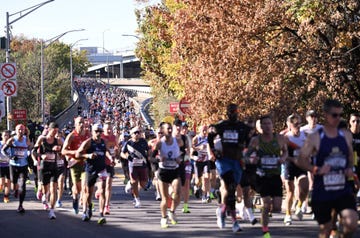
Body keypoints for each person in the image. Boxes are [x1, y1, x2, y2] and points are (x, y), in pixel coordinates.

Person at [298, 99, 358, 238]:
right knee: (326, 230)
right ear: (326, 115)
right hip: (323, 191)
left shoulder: (346, 135)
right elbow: (301, 160)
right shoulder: (315, 137)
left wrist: (350, 168)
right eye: (334, 115)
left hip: (342, 189)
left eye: (340, 115)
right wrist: (315, 170)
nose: (338, 118)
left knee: (352, 223)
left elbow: (350, 156)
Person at [207, 103, 251, 233]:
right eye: (230, 112)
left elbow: (250, 141)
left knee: (230, 190)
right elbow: (210, 136)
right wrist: (214, 151)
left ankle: (222, 210)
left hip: (237, 161)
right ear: (227, 113)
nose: (233, 114)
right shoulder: (222, 125)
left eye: (235, 111)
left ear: (238, 112)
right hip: (224, 161)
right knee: (230, 186)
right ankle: (234, 222)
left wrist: (246, 153)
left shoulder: (242, 127)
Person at [245, 115, 288, 238]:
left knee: (277, 207)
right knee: (266, 203)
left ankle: (263, 219)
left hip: (275, 175)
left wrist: (283, 158)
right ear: (261, 127)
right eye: (265, 124)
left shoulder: (279, 139)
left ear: (272, 125)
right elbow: (247, 156)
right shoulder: (256, 141)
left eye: (269, 123)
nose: (267, 126)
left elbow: (285, 151)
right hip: (262, 176)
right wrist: (253, 160)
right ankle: (265, 230)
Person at [75, 123, 115, 224]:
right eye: (96, 131)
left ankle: (101, 215)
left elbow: (106, 151)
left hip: (101, 169)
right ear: (92, 132)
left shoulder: (104, 141)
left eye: (100, 132)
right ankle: (88, 208)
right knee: (88, 193)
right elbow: (78, 154)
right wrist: (88, 155)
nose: (98, 133)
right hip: (90, 169)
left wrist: (110, 158)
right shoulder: (88, 142)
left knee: (102, 191)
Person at [151, 122, 184, 228]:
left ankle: (172, 211)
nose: (169, 131)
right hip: (163, 171)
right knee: (165, 199)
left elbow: (184, 154)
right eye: (167, 129)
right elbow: (151, 158)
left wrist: (180, 159)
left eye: (170, 128)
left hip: (174, 170)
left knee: (178, 193)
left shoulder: (178, 141)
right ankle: (164, 218)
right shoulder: (159, 143)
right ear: (163, 131)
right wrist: (158, 158)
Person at [31, 122, 62, 219]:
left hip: (54, 166)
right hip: (44, 166)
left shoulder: (58, 141)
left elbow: (63, 153)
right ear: (49, 129)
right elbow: (34, 151)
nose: (55, 133)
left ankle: (52, 211)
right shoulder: (42, 139)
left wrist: (59, 150)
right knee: (45, 188)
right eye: (53, 131)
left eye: (57, 131)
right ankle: (44, 195)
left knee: (53, 188)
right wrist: (40, 156)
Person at [283, 114, 309, 225]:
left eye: (299, 124)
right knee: (290, 191)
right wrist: (293, 159)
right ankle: (288, 214)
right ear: (289, 125)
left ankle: (299, 206)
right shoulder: (285, 137)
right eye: (295, 124)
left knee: (305, 187)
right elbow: (283, 155)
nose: (297, 126)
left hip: (301, 165)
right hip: (289, 164)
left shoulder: (305, 135)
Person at [61, 116, 89, 214]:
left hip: (85, 163)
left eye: (82, 122)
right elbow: (63, 151)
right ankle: (75, 199)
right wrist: (75, 152)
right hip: (75, 163)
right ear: (75, 125)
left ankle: (85, 210)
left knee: (85, 187)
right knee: (77, 188)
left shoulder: (88, 135)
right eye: (79, 123)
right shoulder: (72, 136)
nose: (81, 124)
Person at [1, 124, 31, 213]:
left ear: (24, 131)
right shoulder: (12, 140)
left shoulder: (27, 139)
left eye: (22, 130)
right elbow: (3, 150)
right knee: (14, 185)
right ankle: (15, 189)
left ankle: (20, 205)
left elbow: (29, 148)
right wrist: (11, 156)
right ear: (16, 130)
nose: (21, 131)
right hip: (13, 166)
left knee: (23, 185)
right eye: (19, 130)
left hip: (24, 165)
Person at [121, 126, 150, 208]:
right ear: (131, 134)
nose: (137, 134)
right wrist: (127, 157)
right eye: (135, 133)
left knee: (143, 184)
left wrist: (150, 157)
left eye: (139, 132)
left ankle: (130, 184)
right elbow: (122, 153)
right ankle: (137, 199)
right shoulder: (129, 143)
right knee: (134, 182)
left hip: (142, 165)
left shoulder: (143, 141)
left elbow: (148, 151)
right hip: (133, 165)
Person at [100, 121, 118, 214]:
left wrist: (115, 152)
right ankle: (99, 192)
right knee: (102, 187)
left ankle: (107, 205)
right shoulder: (101, 137)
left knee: (108, 185)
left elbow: (116, 148)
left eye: (110, 129)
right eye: (107, 129)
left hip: (110, 163)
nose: (109, 130)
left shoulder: (114, 137)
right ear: (104, 129)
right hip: (101, 164)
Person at [192, 125, 211, 203]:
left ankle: (204, 195)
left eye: (205, 130)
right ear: (200, 130)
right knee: (198, 180)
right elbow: (191, 148)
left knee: (206, 178)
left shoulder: (208, 138)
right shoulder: (196, 138)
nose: (204, 132)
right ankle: (196, 186)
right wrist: (199, 148)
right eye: (203, 130)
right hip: (198, 161)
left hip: (206, 160)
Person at [0, 130, 11, 203]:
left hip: (8, 165)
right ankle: (1, 188)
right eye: (5, 135)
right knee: (2, 183)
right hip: (0, 164)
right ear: (2, 136)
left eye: (7, 135)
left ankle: (6, 197)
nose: (6, 137)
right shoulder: (0, 144)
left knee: (8, 182)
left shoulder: (11, 144)